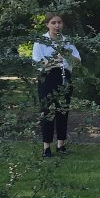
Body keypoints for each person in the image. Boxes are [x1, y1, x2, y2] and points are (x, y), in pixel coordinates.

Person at [32, 12, 80, 158]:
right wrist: (52, 61)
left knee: (62, 111)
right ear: (47, 24)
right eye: (53, 23)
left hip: (64, 77)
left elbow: (77, 60)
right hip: (47, 78)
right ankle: (46, 147)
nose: (57, 25)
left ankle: (61, 145)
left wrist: (67, 55)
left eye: (59, 22)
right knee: (47, 112)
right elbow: (36, 62)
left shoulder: (67, 41)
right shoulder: (40, 41)